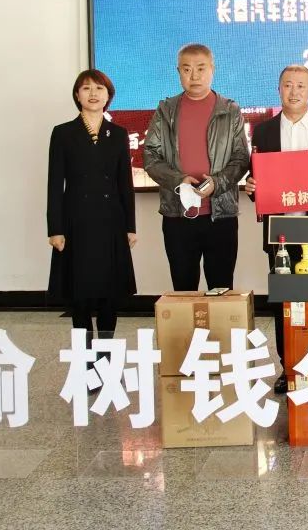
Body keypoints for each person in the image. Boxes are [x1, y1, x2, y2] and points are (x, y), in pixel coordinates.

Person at [245, 65, 308, 393]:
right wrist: (253, 187)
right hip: (280, 232)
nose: (294, 91)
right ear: (279, 90)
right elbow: (258, 181)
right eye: (288, 85)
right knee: (283, 301)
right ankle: (288, 368)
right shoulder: (263, 132)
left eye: (301, 86)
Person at [47, 69, 136, 376]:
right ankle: (85, 365)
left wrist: (130, 226)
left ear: (108, 95)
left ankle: (107, 363)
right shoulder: (63, 133)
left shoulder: (119, 134)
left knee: (110, 298)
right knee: (80, 298)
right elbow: (54, 184)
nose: (93, 94)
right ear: (77, 95)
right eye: (86, 89)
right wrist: (55, 228)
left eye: (99, 88)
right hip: (76, 224)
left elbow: (125, 184)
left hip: (112, 223)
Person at [143, 43, 249, 292]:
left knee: (221, 289)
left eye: (201, 68)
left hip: (220, 215)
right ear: (178, 72)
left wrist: (217, 183)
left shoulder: (230, 110)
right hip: (177, 216)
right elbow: (150, 156)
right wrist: (178, 180)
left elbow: (241, 158)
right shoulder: (165, 110)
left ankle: (219, 322)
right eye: (187, 69)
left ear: (213, 69)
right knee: (183, 289)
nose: (194, 76)